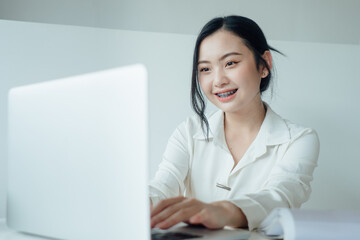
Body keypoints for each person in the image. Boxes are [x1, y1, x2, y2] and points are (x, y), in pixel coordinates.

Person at [149, 15, 320, 231]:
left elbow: (281, 196)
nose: (218, 80)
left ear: (264, 64)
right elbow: (162, 186)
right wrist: (142, 203)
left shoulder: (299, 139)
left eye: (230, 63)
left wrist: (225, 211)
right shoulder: (188, 132)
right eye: (205, 69)